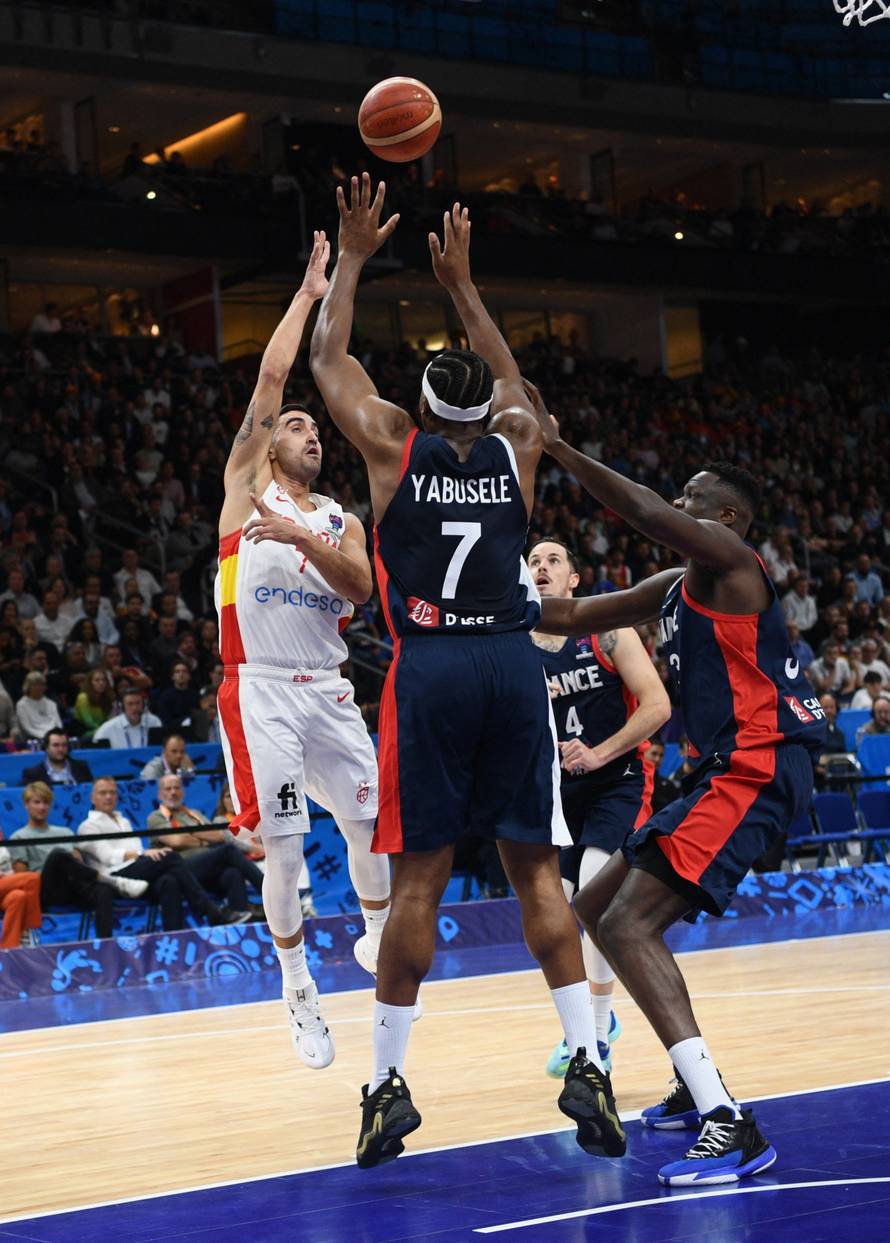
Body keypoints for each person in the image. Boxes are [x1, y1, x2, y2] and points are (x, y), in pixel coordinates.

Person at [310, 182, 622, 1169]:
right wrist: (463, 285)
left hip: (431, 669)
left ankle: (385, 1087)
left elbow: (326, 359)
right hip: (506, 664)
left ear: (416, 406)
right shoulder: (516, 444)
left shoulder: (387, 447)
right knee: (537, 872)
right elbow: (517, 387)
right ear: (483, 406)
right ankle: (585, 1060)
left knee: (417, 885)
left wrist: (355, 256)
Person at [531, 392, 826, 1187]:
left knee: (628, 923)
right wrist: (475, 611)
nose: (681, 507)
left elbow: (644, 507)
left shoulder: (735, 564)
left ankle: (729, 1121)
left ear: (726, 517)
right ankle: (693, 1085)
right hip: (719, 768)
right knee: (592, 910)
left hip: (757, 763)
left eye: (695, 500)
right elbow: (579, 608)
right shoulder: (674, 584)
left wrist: (558, 448)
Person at [215, 228, 393, 1072]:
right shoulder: (243, 487)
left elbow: (361, 590)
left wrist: (298, 535)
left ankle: (380, 934)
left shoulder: (341, 519)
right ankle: (297, 990)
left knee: (368, 821)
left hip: (327, 688)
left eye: (315, 430)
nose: (308, 430)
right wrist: (311, 289)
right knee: (284, 847)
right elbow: (272, 376)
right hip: (259, 692)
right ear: (270, 443)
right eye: (296, 426)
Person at [528, 538, 670, 1079]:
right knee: (553, 918)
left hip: (618, 780)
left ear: (573, 581)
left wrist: (599, 752)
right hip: (558, 794)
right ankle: (594, 1027)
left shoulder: (607, 628)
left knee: (593, 895)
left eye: (553, 560)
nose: (541, 567)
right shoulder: (517, 644)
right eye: (533, 562)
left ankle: (596, 1031)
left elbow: (657, 705)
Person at [77, 778, 246, 930]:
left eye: (112, 792)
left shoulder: (124, 821)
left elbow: (219, 836)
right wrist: (141, 853)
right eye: (103, 793)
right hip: (112, 877)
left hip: (136, 870)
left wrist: (141, 854)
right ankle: (210, 911)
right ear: (93, 798)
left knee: (169, 880)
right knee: (171, 856)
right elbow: (109, 857)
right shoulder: (87, 826)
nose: (108, 797)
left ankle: (175, 935)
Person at [9, 782, 145, 938]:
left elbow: (78, 863)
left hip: (73, 884)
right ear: (26, 804)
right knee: (58, 855)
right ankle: (111, 880)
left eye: (45, 802)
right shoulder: (18, 837)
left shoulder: (65, 832)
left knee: (103, 890)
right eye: (37, 802)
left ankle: (106, 942)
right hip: (46, 890)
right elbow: (22, 880)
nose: (42, 807)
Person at [147, 774, 264, 921]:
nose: (173, 792)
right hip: (181, 869)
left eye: (176, 788)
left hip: (205, 868)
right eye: (168, 789)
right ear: (159, 794)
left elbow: (219, 836)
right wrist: (202, 837)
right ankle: (269, 892)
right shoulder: (156, 817)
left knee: (232, 873)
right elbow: (176, 841)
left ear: (182, 791)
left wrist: (190, 834)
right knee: (228, 850)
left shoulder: (194, 814)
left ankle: (241, 917)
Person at [21, 728, 93, 786]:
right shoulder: (32, 774)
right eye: (56, 745)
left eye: (64, 745)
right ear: (46, 747)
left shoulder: (82, 767)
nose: (60, 749)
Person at [93, 689, 161, 749]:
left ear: (143, 705)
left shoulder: (154, 722)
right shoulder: (108, 728)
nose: (135, 708)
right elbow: (96, 752)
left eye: (138, 703)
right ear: (123, 707)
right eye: (130, 704)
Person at [15, 671, 62, 743]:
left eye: (41, 685)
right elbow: (27, 728)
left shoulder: (51, 704)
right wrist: (45, 737)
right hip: (35, 738)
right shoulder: (21, 705)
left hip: (54, 737)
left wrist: (56, 735)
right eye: (35, 685)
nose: (39, 688)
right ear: (28, 687)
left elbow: (58, 724)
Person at [73, 667, 114, 739]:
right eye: (97, 680)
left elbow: (106, 719)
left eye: (103, 680)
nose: (101, 683)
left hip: (99, 729)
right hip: (83, 731)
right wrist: (104, 729)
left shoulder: (106, 698)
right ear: (90, 683)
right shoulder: (83, 697)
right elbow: (88, 721)